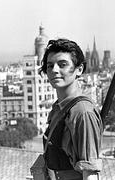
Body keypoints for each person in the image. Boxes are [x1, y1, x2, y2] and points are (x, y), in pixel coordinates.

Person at [39, 38, 103, 180]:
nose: (54, 70)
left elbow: (90, 172)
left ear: (79, 69)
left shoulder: (82, 112)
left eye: (62, 64)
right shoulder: (59, 107)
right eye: (50, 66)